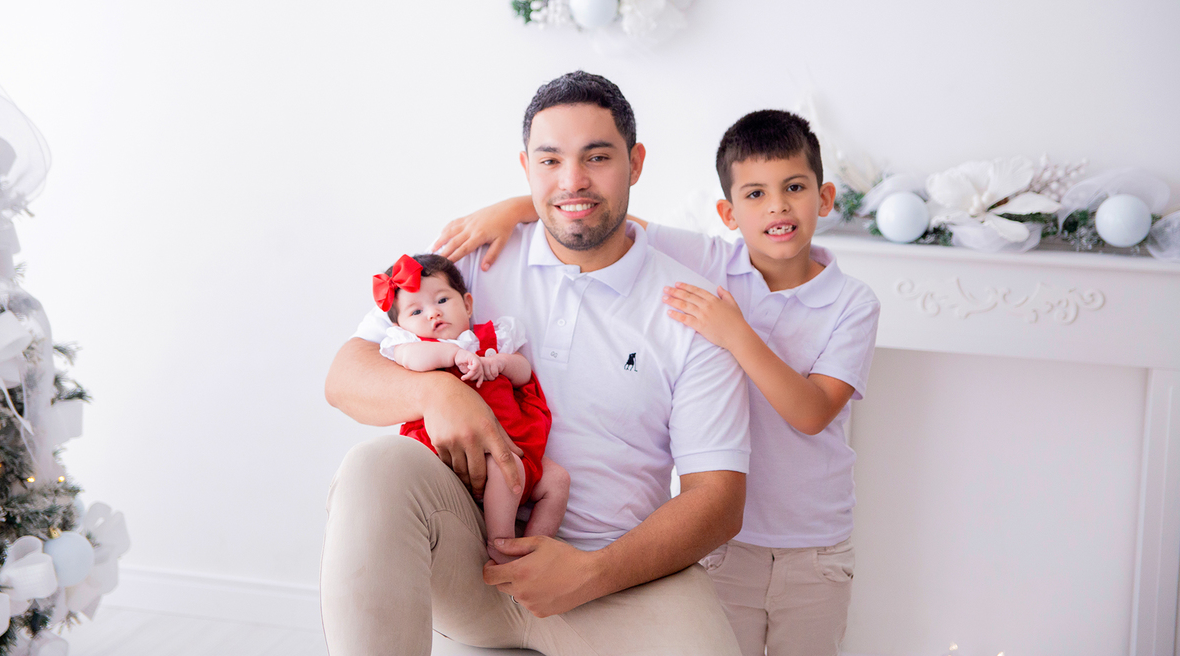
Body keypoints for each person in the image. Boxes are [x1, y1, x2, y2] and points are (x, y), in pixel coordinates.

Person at [321, 71, 751, 656]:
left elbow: (719, 500)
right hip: (469, 555)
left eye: (597, 157)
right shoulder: (466, 267)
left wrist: (592, 572)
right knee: (377, 465)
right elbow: (345, 376)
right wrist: (438, 395)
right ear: (526, 167)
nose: (572, 181)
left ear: (636, 162)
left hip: (618, 574)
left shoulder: (692, 309)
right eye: (550, 161)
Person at [439, 109, 880, 656]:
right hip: (728, 547)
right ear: (727, 211)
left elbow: (813, 413)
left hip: (814, 545)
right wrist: (512, 209)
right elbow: (607, 218)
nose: (778, 207)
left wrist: (736, 334)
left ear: (826, 197)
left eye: (794, 188)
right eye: (755, 195)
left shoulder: (853, 302)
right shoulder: (713, 261)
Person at [372, 252, 569, 565]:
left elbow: (524, 372)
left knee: (557, 480)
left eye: (442, 300)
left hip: (512, 443)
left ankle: (535, 546)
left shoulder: (492, 338)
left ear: (467, 304)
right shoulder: (414, 346)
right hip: (452, 455)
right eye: (417, 310)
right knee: (507, 470)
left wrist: (500, 363)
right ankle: (501, 546)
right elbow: (411, 360)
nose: (433, 314)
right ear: (401, 326)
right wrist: (450, 357)